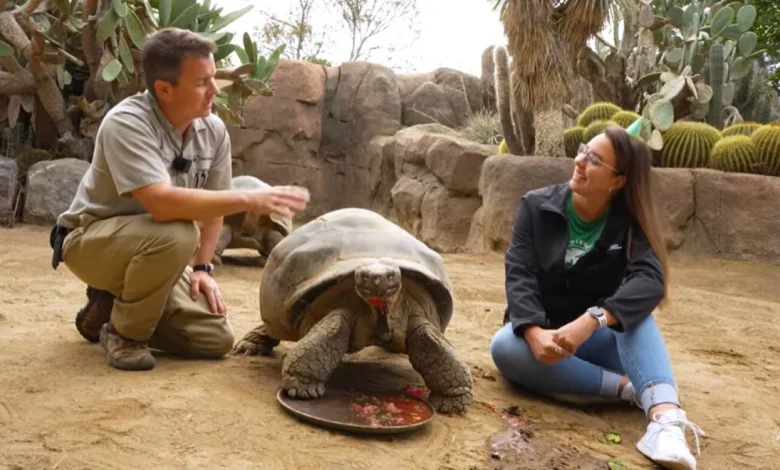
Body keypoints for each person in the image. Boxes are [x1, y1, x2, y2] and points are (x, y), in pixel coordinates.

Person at [50, 28, 309, 372]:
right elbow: (162, 204)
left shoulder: (213, 131)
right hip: (91, 242)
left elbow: (214, 205)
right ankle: (125, 336)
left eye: (214, 78)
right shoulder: (126, 123)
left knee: (213, 340)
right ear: (163, 89)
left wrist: (203, 268)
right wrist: (247, 198)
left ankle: (109, 309)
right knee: (178, 233)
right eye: (203, 82)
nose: (215, 90)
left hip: (156, 252)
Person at [489, 126, 705, 469]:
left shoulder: (630, 221)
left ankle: (666, 420)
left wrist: (594, 319)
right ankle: (627, 389)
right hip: (546, 338)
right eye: (582, 151)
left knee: (637, 317)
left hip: (599, 338)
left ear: (617, 180)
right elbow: (519, 273)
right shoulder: (535, 205)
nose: (579, 161)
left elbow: (650, 280)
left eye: (593, 159)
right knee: (504, 347)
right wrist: (532, 331)